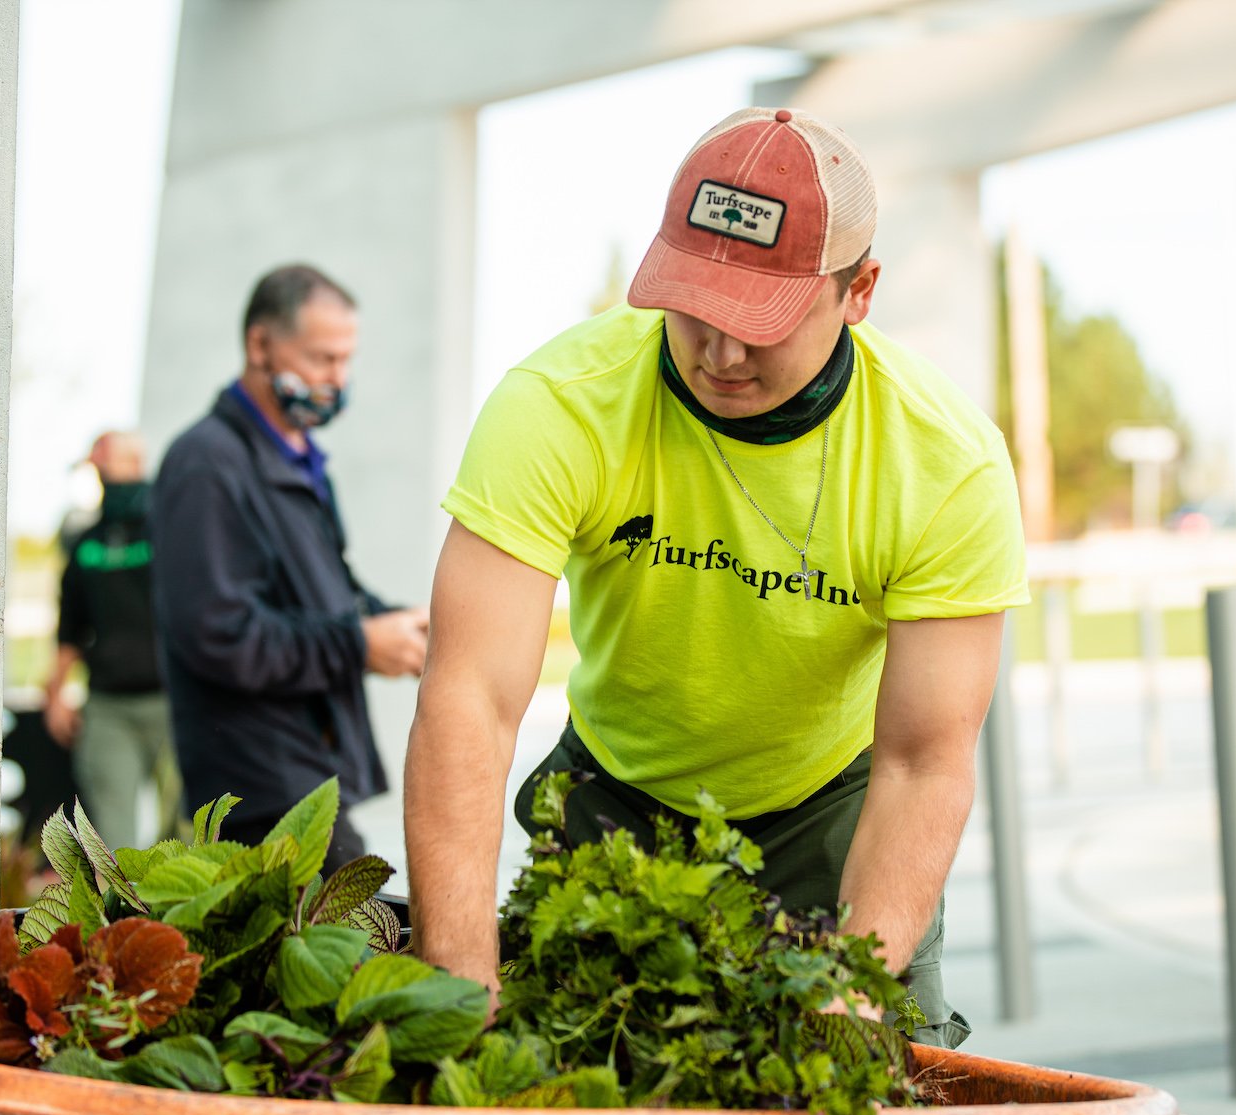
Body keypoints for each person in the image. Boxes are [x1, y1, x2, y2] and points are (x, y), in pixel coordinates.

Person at [404, 108, 1028, 1047]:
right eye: (695, 308)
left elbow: (922, 761)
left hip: (832, 806)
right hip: (615, 799)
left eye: (760, 322)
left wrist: (850, 990)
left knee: (868, 1099)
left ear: (859, 290)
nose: (720, 355)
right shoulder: (560, 405)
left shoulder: (948, 465)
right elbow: (471, 700)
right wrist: (459, 975)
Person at [149, 264, 428, 861]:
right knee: (362, 938)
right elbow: (219, 633)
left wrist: (400, 622)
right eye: (322, 359)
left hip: (308, 772)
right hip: (260, 790)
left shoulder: (300, 459)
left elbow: (329, 589)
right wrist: (358, 645)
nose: (337, 379)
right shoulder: (206, 464)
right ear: (259, 344)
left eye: (346, 360)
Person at [43, 430, 173, 853]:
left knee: (187, 835)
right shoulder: (86, 544)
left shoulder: (169, 529)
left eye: (112, 462)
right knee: (113, 847)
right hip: (108, 709)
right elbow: (70, 628)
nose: (105, 474)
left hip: (172, 703)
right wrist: (55, 694)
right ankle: (124, 919)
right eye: (99, 465)